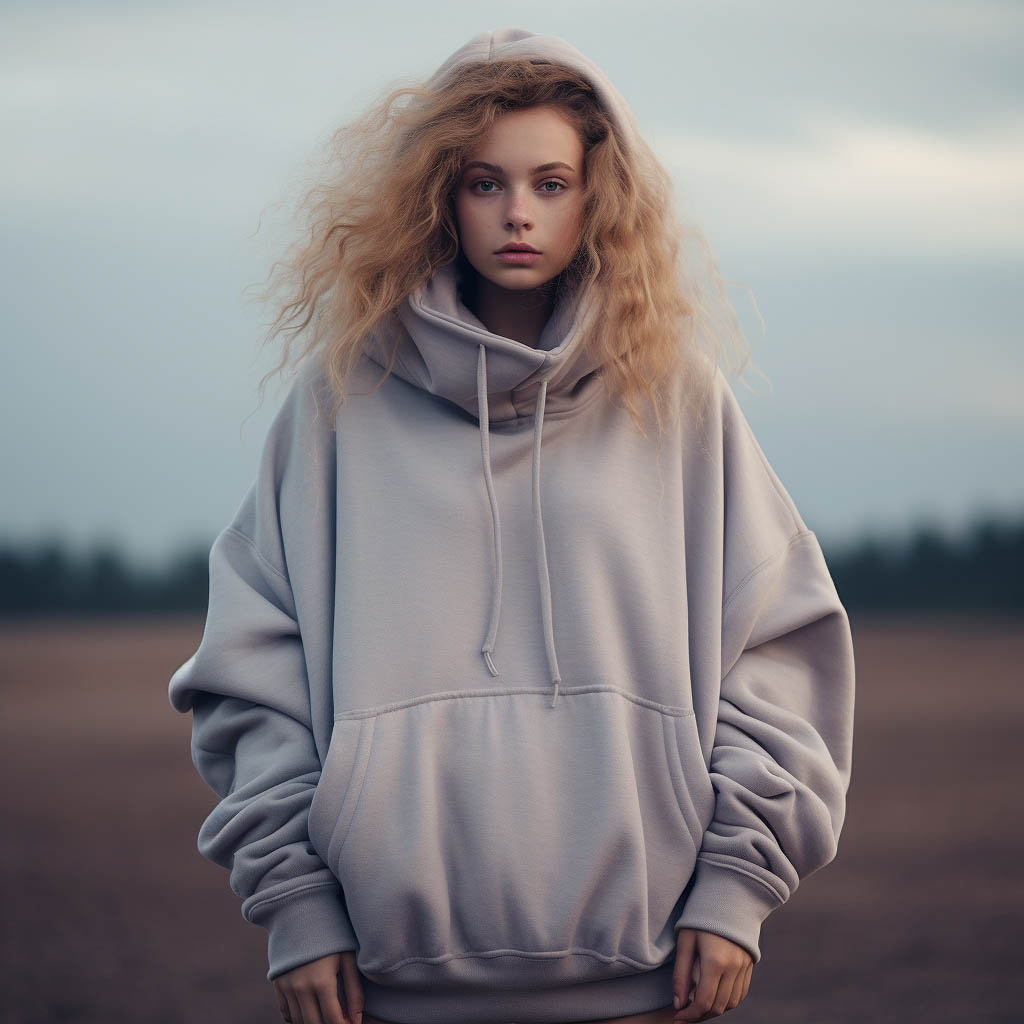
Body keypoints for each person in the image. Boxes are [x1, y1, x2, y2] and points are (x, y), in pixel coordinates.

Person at [168, 27, 856, 1024]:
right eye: (485, 183)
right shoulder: (339, 407)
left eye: (549, 183)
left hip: (648, 975)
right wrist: (296, 905)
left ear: (596, 196)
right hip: (388, 986)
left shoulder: (676, 401)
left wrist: (736, 883)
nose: (517, 214)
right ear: (440, 196)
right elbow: (250, 678)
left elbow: (777, 651)